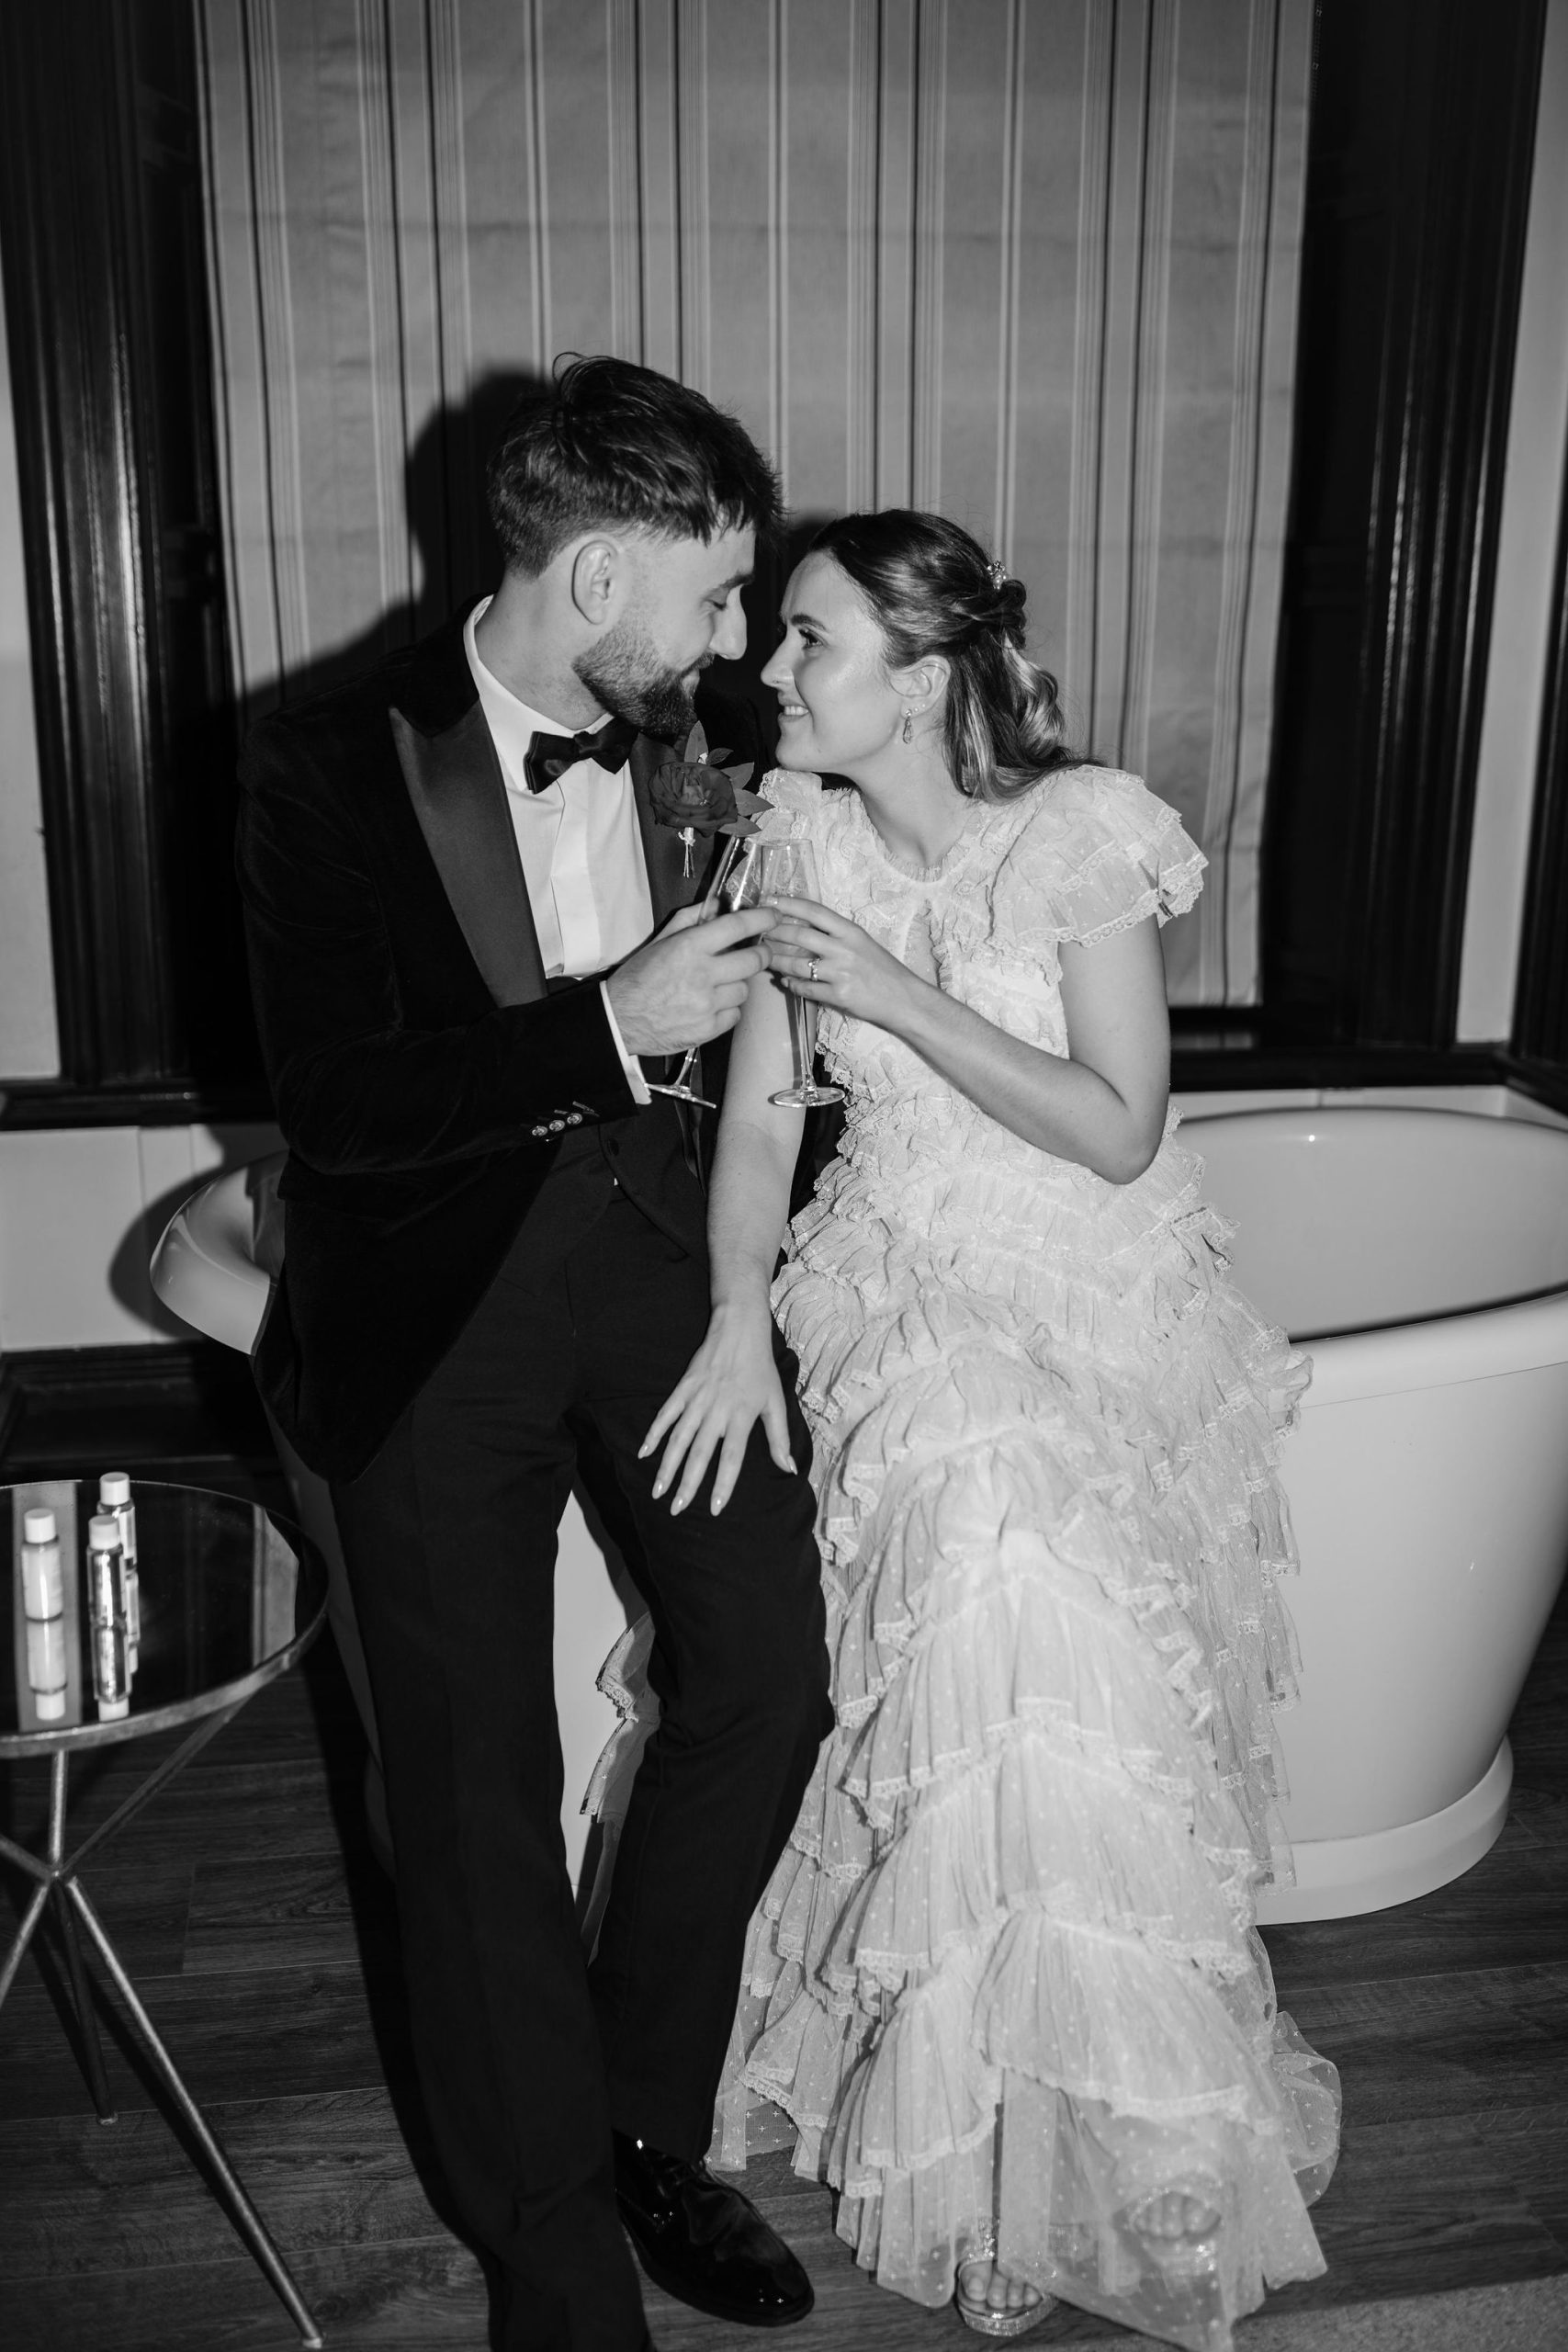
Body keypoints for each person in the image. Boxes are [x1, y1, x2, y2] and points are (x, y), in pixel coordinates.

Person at [641, 510, 1341, 2349]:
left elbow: (1117, 1126)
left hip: (1095, 1287)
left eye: (809, 640)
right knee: (989, 1581)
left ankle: (1109, 2137)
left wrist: (893, 989)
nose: (769, 670)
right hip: (896, 1284)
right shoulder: (793, 835)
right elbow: (763, 1118)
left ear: (924, 675)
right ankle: (985, 2148)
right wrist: (731, 1309)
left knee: (1081, 1697)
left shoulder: (1077, 831)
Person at [235, 355, 832, 2352]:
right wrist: (603, 1025)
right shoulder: (317, 761)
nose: (733, 641)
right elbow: (334, 1104)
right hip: (432, 1309)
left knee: (768, 1671)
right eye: (714, 593)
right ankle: (561, 2262)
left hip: (659, 1271)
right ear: (594, 578)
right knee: (475, 1797)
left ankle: (644, 2122)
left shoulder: (701, 734)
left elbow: (770, 1032)